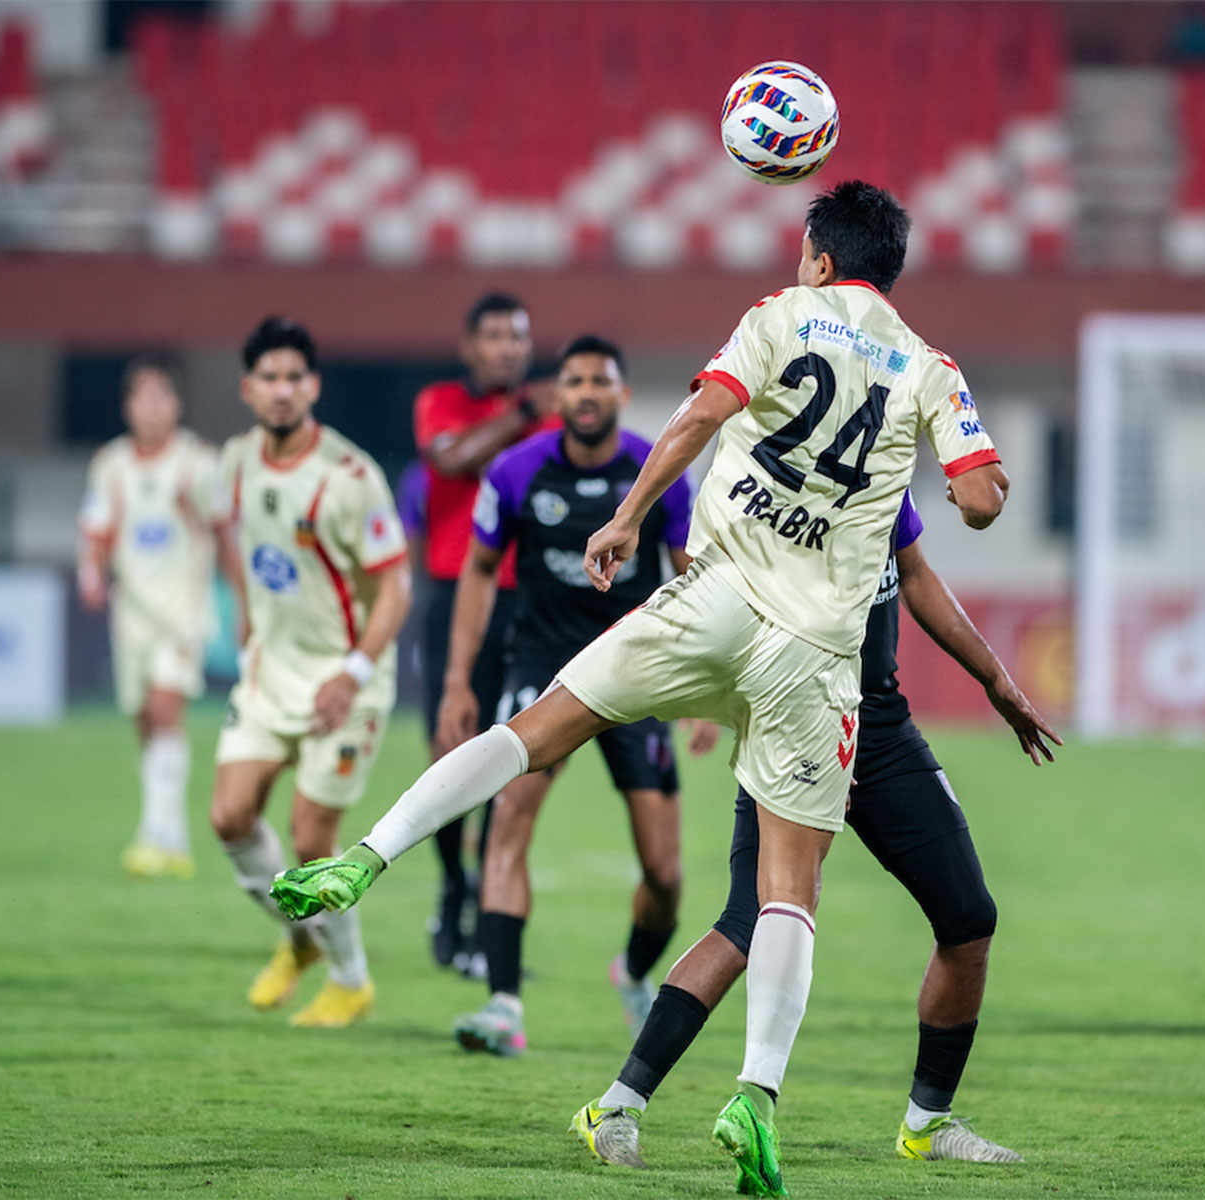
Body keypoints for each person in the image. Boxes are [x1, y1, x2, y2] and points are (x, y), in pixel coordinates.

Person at [273, 180, 1009, 1196]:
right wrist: (985, 478)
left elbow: (698, 417)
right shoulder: (932, 369)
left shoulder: (774, 318)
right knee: (785, 892)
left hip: (712, 602)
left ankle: (365, 856)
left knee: (536, 728)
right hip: (813, 658)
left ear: (817, 258)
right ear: (889, 269)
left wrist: (626, 519)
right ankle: (754, 1093)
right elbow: (972, 502)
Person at [571, 490, 1060, 1169]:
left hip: (881, 732)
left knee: (970, 919)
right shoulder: (782, 481)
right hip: (797, 724)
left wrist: (994, 679)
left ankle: (926, 1125)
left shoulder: (883, 464)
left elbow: (913, 573)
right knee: (749, 921)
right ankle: (616, 1107)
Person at [440, 334, 709, 1056]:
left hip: (638, 673)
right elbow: (477, 572)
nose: (587, 392)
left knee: (664, 872)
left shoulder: (658, 474)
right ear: (557, 397)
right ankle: (501, 1002)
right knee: (507, 822)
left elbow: (693, 580)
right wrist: (458, 681)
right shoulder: (515, 470)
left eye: (601, 381)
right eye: (574, 381)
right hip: (544, 670)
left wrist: (709, 692)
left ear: (621, 395)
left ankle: (634, 970)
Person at [210, 316, 412, 1028]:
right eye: (269, 377)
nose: (282, 390)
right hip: (270, 675)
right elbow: (227, 531)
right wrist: (243, 612)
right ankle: (300, 939)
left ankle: (351, 980)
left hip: (344, 681)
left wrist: (353, 673)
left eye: (295, 377)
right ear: (247, 388)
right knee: (229, 815)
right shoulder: (234, 461)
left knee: (309, 838)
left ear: (314, 386)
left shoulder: (349, 476)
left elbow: (396, 586)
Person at [413, 292, 558, 973]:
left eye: (517, 337)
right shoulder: (441, 401)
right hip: (455, 595)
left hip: (525, 599)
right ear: (470, 346)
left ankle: (487, 914)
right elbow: (453, 459)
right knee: (450, 747)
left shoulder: (554, 416)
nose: (505, 347)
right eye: (494, 335)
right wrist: (527, 413)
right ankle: (451, 890)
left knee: (510, 760)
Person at [77, 354, 233, 879]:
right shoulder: (111, 464)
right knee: (144, 718)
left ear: (178, 403)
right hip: (133, 614)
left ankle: (156, 834)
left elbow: (224, 529)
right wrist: (91, 573)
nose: (152, 406)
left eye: (162, 395)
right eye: (142, 397)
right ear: (127, 407)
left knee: (167, 707)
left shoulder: (197, 462)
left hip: (181, 612)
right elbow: (97, 529)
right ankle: (172, 838)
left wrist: (240, 598)